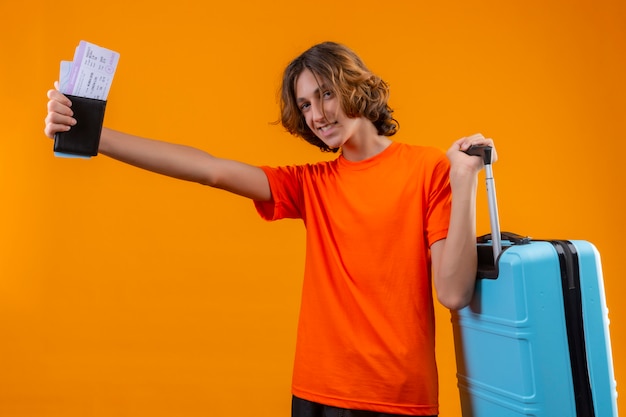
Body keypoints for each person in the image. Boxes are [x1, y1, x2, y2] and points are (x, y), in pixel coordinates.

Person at [45, 41, 495, 417]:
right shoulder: (312, 185)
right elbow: (210, 170)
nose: (316, 114)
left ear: (356, 87)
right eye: (304, 104)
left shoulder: (428, 168)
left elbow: (453, 293)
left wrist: (464, 179)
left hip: (397, 398)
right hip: (315, 392)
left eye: (325, 95)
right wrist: (94, 137)